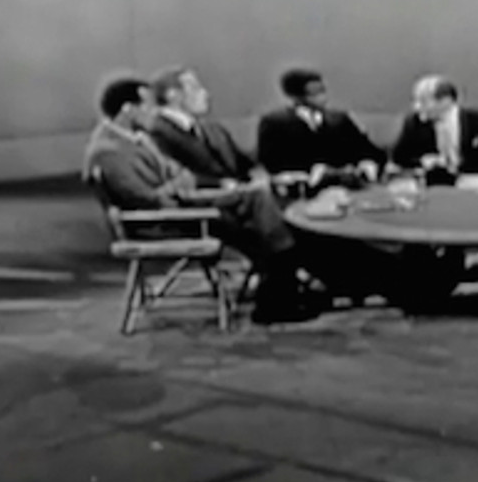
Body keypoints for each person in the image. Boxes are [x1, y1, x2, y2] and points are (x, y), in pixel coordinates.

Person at [83, 76, 316, 323]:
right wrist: (181, 188)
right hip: (159, 222)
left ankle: (284, 286)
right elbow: (147, 198)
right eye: (148, 106)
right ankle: (282, 292)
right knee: (250, 219)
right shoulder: (109, 151)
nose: (154, 112)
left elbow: (180, 176)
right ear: (128, 110)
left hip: (179, 208)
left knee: (256, 199)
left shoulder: (136, 139)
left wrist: (182, 187)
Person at [255, 68, 384, 188]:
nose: (322, 96)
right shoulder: (275, 123)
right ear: (296, 96)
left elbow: (366, 149)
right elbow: (271, 161)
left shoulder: (340, 119)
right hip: (301, 188)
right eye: (314, 92)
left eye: (322, 90)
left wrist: (366, 163)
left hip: (345, 186)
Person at [388, 77, 478, 183]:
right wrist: (423, 161)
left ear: (446, 101)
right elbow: (399, 157)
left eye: (423, 102)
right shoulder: (414, 122)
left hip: (474, 183)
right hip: (434, 184)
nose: (417, 107)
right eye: (416, 101)